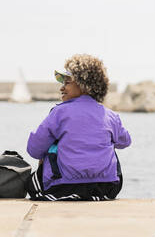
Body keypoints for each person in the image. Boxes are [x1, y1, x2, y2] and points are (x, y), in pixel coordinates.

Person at [26, 54, 131, 201]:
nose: (62, 88)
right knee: (110, 144)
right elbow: (125, 141)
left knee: (50, 148)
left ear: (84, 85)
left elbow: (34, 149)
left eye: (67, 82)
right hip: (106, 188)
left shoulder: (59, 113)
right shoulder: (110, 116)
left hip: (62, 187)